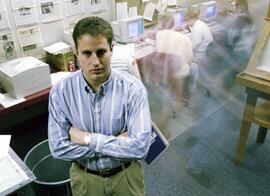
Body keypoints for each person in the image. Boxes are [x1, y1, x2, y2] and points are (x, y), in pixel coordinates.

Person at [48, 16, 152, 196]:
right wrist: (118, 143)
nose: (95, 61)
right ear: (76, 52)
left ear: (112, 49)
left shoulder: (133, 89)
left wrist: (87, 139)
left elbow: (140, 148)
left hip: (126, 176)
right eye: (87, 53)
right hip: (86, 179)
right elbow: (58, 148)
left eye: (101, 52)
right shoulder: (61, 92)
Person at [184, 8, 213, 106]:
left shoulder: (197, 29)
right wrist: (190, 33)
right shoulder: (200, 24)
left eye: (187, 21)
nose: (186, 23)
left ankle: (190, 93)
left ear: (192, 18)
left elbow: (192, 46)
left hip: (198, 57)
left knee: (180, 58)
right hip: (205, 53)